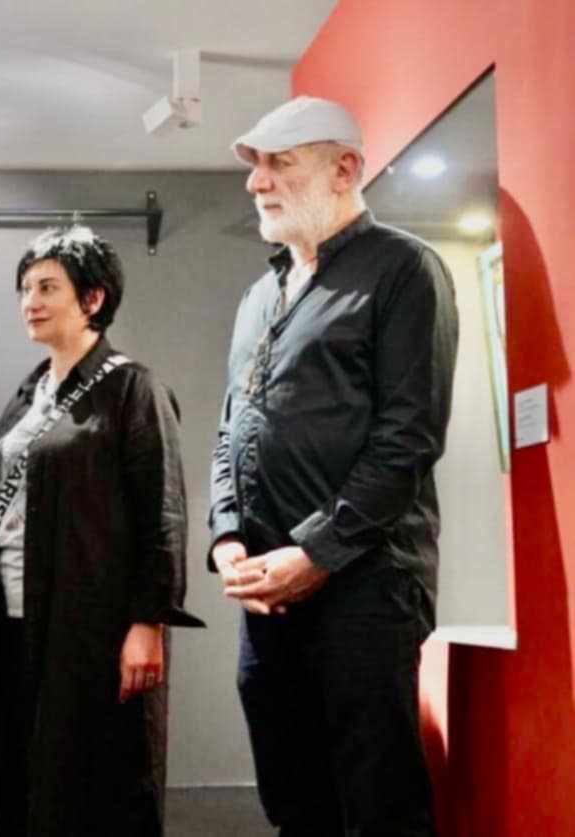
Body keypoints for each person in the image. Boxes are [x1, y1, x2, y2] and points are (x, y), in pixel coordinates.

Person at [208, 96, 459, 836]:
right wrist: (228, 534)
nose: (256, 181)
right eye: (256, 166)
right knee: (294, 803)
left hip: (367, 589)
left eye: (279, 163)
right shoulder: (259, 295)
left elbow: (408, 439)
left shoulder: (405, 270)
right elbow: (231, 429)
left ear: (345, 170)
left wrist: (316, 551)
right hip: (271, 594)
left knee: (378, 808)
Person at [0, 225, 203, 836]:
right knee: (22, 779)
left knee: (95, 784)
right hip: (17, 622)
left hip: (94, 626)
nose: (30, 301)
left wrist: (148, 622)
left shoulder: (132, 387)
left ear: (93, 299)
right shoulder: (30, 393)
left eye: (48, 287)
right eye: (25, 289)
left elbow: (163, 512)